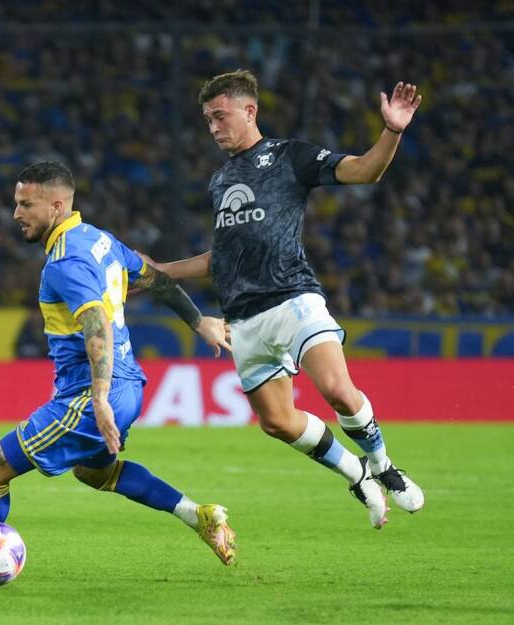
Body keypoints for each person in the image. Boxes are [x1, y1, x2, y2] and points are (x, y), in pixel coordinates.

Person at [0, 161, 235, 582]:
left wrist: (100, 398)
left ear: (56, 204)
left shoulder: (65, 262)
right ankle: (199, 515)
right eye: (16, 203)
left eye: (25, 204)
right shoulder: (99, 240)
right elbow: (154, 277)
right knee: (95, 472)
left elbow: (96, 324)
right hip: (127, 385)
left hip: (91, 394)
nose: (16, 213)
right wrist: (199, 321)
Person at [143, 70, 424, 529]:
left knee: (336, 389)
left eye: (220, 116)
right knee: (276, 422)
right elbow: (225, 255)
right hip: (244, 319)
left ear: (249, 110)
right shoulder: (220, 181)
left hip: (293, 298)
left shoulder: (290, 157)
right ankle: (354, 473)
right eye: (207, 119)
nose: (213, 127)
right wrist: (161, 272)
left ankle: (382, 464)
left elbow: (366, 171)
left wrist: (392, 130)